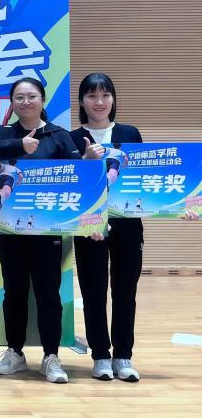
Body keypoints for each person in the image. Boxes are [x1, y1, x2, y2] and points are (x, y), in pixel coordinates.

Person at [0, 77, 82, 384]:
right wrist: (18, 146)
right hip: (9, 227)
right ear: (12, 103)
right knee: (13, 291)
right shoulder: (2, 134)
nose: (25, 102)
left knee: (48, 293)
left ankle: (51, 356)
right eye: (19, 97)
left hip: (48, 229)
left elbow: (79, 176)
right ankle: (14, 352)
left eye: (31, 96)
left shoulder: (59, 136)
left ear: (42, 99)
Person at [70, 73, 150, 382]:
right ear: (82, 101)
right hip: (89, 225)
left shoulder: (130, 133)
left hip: (127, 224)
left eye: (105, 95)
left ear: (113, 99)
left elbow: (142, 177)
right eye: (92, 96)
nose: (99, 102)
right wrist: (85, 160)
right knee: (93, 291)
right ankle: (101, 355)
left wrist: (184, 205)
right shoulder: (72, 138)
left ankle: (123, 356)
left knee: (125, 291)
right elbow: (72, 186)